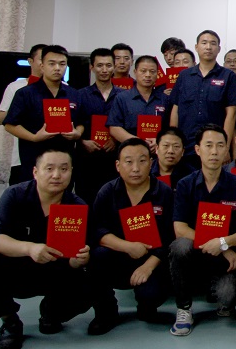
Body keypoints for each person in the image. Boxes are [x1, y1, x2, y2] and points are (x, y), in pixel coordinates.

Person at [0, 148, 91, 349]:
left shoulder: (77, 206)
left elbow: (75, 257)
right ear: (35, 172)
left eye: (64, 169)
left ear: (71, 172)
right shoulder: (15, 195)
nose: (57, 175)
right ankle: (10, 322)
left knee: (89, 285)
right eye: (49, 168)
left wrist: (79, 260)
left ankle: (51, 311)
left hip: (54, 271)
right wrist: (29, 248)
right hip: (17, 269)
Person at [169, 124, 236, 336]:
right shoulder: (185, 184)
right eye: (208, 145)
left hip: (226, 261)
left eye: (220, 146)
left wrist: (224, 243)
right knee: (180, 246)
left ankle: (219, 292)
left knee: (228, 297)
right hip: (196, 254)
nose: (214, 151)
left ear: (227, 149)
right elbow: (180, 228)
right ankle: (184, 308)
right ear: (197, 149)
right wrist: (217, 244)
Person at [88, 138, 175, 335]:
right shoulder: (107, 191)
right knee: (97, 256)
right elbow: (96, 230)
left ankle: (147, 306)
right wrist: (127, 246)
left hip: (152, 259)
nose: (136, 168)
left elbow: (170, 235)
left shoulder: (164, 192)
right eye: (128, 162)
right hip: (117, 256)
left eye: (142, 161)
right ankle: (106, 312)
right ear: (118, 165)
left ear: (151, 163)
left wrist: (148, 266)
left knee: (153, 292)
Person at [3, 45, 83, 176]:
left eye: (62, 64)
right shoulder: (25, 93)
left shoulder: (74, 94)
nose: (57, 68)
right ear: (42, 66)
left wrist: (77, 133)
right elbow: (10, 125)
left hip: (64, 160)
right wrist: (34, 137)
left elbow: (81, 122)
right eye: (52, 63)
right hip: (34, 158)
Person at [169, 30, 236, 166]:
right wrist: (173, 141)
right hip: (186, 143)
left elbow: (231, 115)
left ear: (219, 49)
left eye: (213, 43)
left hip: (214, 146)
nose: (208, 47)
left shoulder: (228, 76)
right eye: (204, 43)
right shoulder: (184, 76)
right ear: (196, 47)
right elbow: (175, 110)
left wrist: (224, 147)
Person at [75, 48, 123, 204]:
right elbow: (73, 125)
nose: (104, 70)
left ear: (114, 67)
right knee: (86, 203)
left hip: (115, 159)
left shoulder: (124, 96)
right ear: (92, 67)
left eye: (108, 65)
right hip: (87, 161)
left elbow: (128, 124)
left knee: (114, 203)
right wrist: (82, 142)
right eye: (100, 65)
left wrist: (115, 140)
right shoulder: (80, 95)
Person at [0, 43, 45, 185]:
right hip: (21, 158)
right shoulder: (16, 87)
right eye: (41, 59)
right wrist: (21, 109)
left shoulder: (65, 89)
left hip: (52, 157)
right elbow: (0, 118)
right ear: (30, 61)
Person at [108, 56, 169, 153]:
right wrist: (138, 142)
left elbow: (170, 127)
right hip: (129, 151)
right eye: (143, 71)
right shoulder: (122, 98)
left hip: (158, 153)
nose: (148, 75)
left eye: (152, 71)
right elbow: (114, 128)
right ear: (135, 72)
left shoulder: (165, 99)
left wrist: (159, 141)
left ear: (157, 74)